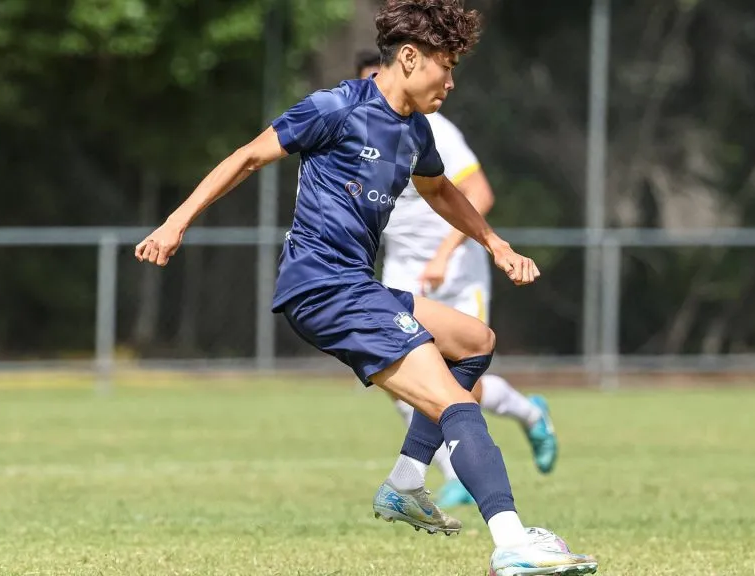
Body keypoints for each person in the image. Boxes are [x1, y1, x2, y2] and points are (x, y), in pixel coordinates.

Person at [135, 1, 597, 574]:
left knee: (475, 341)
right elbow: (249, 157)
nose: (451, 82)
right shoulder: (337, 108)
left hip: (355, 286)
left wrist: (495, 245)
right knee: (455, 402)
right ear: (408, 57)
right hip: (321, 288)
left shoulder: (414, 130)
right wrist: (176, 221)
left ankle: (406, 480)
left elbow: (440, 191)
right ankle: (512, 542)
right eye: (444, 66)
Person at [355, 50, 558, 510]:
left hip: (456, 269)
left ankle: (528, 415)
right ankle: (452, 476)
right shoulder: (359, 126)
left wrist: (445, 254)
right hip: (404, 268)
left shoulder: (435, 129)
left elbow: (479, 193)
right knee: (397, 380)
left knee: (452, 377)